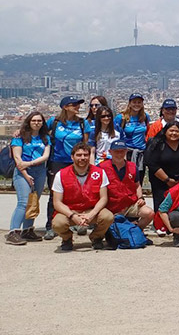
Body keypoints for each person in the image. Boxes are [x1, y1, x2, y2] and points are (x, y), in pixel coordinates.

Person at [49, 142, 113, 251]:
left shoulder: (100, 173)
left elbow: (103, 198)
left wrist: (91, 215)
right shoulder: (61, 174)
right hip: (70, 211)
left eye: (85, 155)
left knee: (108, 217)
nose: (82, 158)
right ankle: (67, 238)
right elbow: (57, 203)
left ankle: (96, 238)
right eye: (78, 155)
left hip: (91, 210)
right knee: (57, 223)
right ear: (72, 157)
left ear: (89, 156)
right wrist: (72, 215)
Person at [44, 96, 89, 241]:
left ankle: (78, 222)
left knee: (79, 192)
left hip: (77, 162)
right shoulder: (54, 122)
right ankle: (51, 225)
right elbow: (39, 132)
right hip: (57, 161)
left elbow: (85, 144)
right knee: (55, 194)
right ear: (65, 107)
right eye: (74, 104)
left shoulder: (82, 123)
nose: (77, 107)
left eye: (78, 104)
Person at [7, 112, 51, 245]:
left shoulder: (45, 138)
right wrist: (26, 173)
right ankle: (13, 231)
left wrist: (30, 164)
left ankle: (27, 229)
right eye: (34, 120)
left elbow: (46, 156)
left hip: (39, 170)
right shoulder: (20, 137)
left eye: (39, 121)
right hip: (22, 172)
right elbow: (17, 158)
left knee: (34, 201)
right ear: (29, 122)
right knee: (24, 201)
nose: (36, 123)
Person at [99, 141, 153, 233]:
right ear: (110, 152)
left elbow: (137, 185)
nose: (119, 154)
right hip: (110, 206)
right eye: (116, 151)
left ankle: (136, 232)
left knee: (149, 213)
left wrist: (140, 198)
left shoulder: (132, 166)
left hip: (129, 204)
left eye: (122, 151)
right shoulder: (101, 167)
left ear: (126, 151)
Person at [146, 121, 179, 225]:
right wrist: (167, 180)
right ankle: (160, 225)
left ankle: (177, 224)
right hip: (160, 180)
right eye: (171, 130)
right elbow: (151, 163)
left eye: (177, 131)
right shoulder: (157, 144)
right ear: (165, 131)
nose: (174, 133)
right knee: (161, 204)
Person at [115, 93, 150, 182]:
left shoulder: (145, 117)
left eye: (139, 102)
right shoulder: (121, 118)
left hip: (141, 153)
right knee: (126, 180)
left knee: (139, 180)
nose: (136, 104)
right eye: (134, 102)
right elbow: (115, 135)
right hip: (127, 153)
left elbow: (147, 133)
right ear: (129, 103)